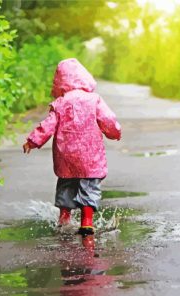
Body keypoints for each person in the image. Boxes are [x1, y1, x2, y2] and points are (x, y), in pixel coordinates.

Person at [23, 58, 121, 237]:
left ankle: (64, 219)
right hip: (89, 157)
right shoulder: (94, 100)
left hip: (66, 156)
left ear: (60, 81)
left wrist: (33, 140)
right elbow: (108, 119)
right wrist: (114, 133)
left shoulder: (60, 103)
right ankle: (87, 222)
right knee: (89, 185)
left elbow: (48, 125)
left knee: (66, 184)